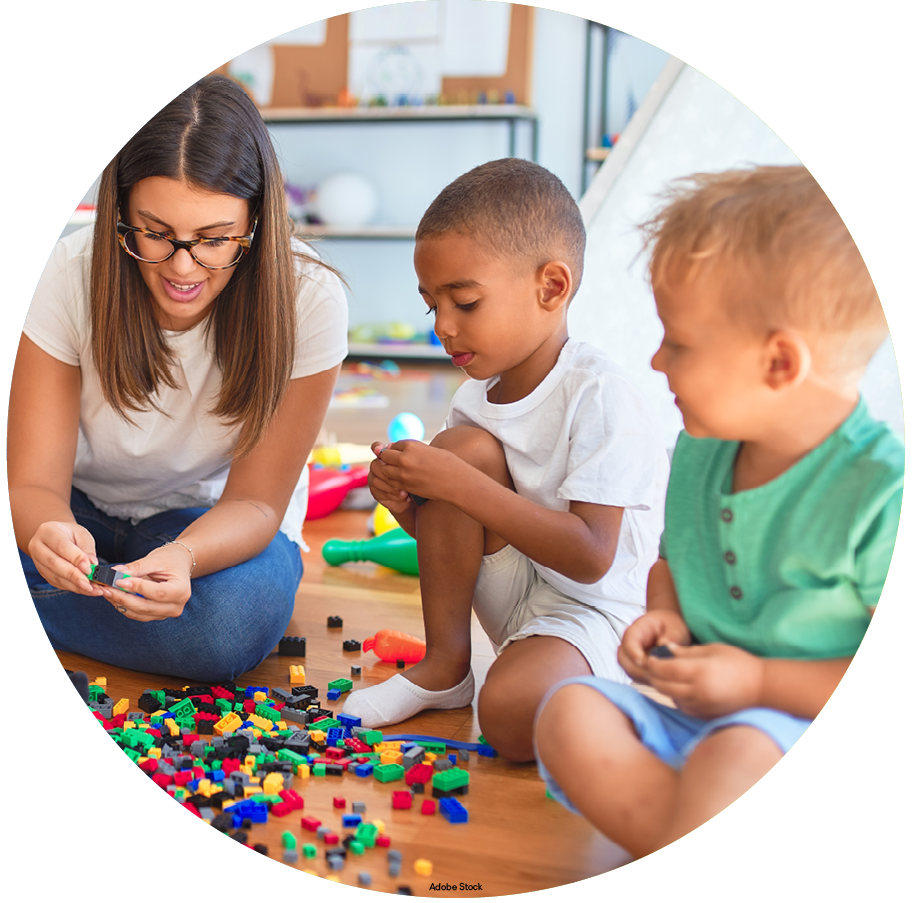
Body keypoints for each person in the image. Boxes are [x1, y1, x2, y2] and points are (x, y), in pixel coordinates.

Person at [534, 165, 903, 857]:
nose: (656, 358)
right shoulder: (701, 450)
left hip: (802, 731)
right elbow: (675, 559)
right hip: (699, 724)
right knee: (569, 711)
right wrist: (664, 613)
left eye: (679, 342)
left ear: (778, 364)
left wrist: (758, 682)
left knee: (731, 758)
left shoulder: (881, 491)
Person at [9, 75, 348, 682]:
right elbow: (33, 483)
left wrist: (185, 556)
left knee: (221, 629)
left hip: (207, 521)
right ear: (121, 212)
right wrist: (48, 530)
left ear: (257, 221)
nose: (183, 268)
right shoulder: (69, 272)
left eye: (216, 240)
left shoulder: (310, 298)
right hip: (74, 507)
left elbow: (255, 501)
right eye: (156, 233)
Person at [342, 158, 669, 762]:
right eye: (430, 305)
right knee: (460, 451)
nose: (442, 326)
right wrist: (412, 501)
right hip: (521, 596)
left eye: (464, 302)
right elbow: (452, 539)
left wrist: (456, 485)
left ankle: (622, 692)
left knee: (510, 716)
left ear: (551, 287)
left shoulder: (600, 393)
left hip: (597, 610)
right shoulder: (475, 398)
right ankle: (445, 668)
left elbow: (592, 557)